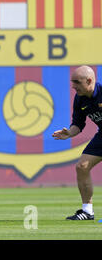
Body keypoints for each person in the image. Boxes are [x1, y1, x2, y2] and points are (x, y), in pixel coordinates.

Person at [52, 65, 102, 220]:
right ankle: (87, 211)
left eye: (77, 82)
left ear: (89, 81)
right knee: (82, 166)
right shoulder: (80, 99)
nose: (73, 86)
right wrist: (69, 133)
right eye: (72, 82)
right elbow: (78, 124)